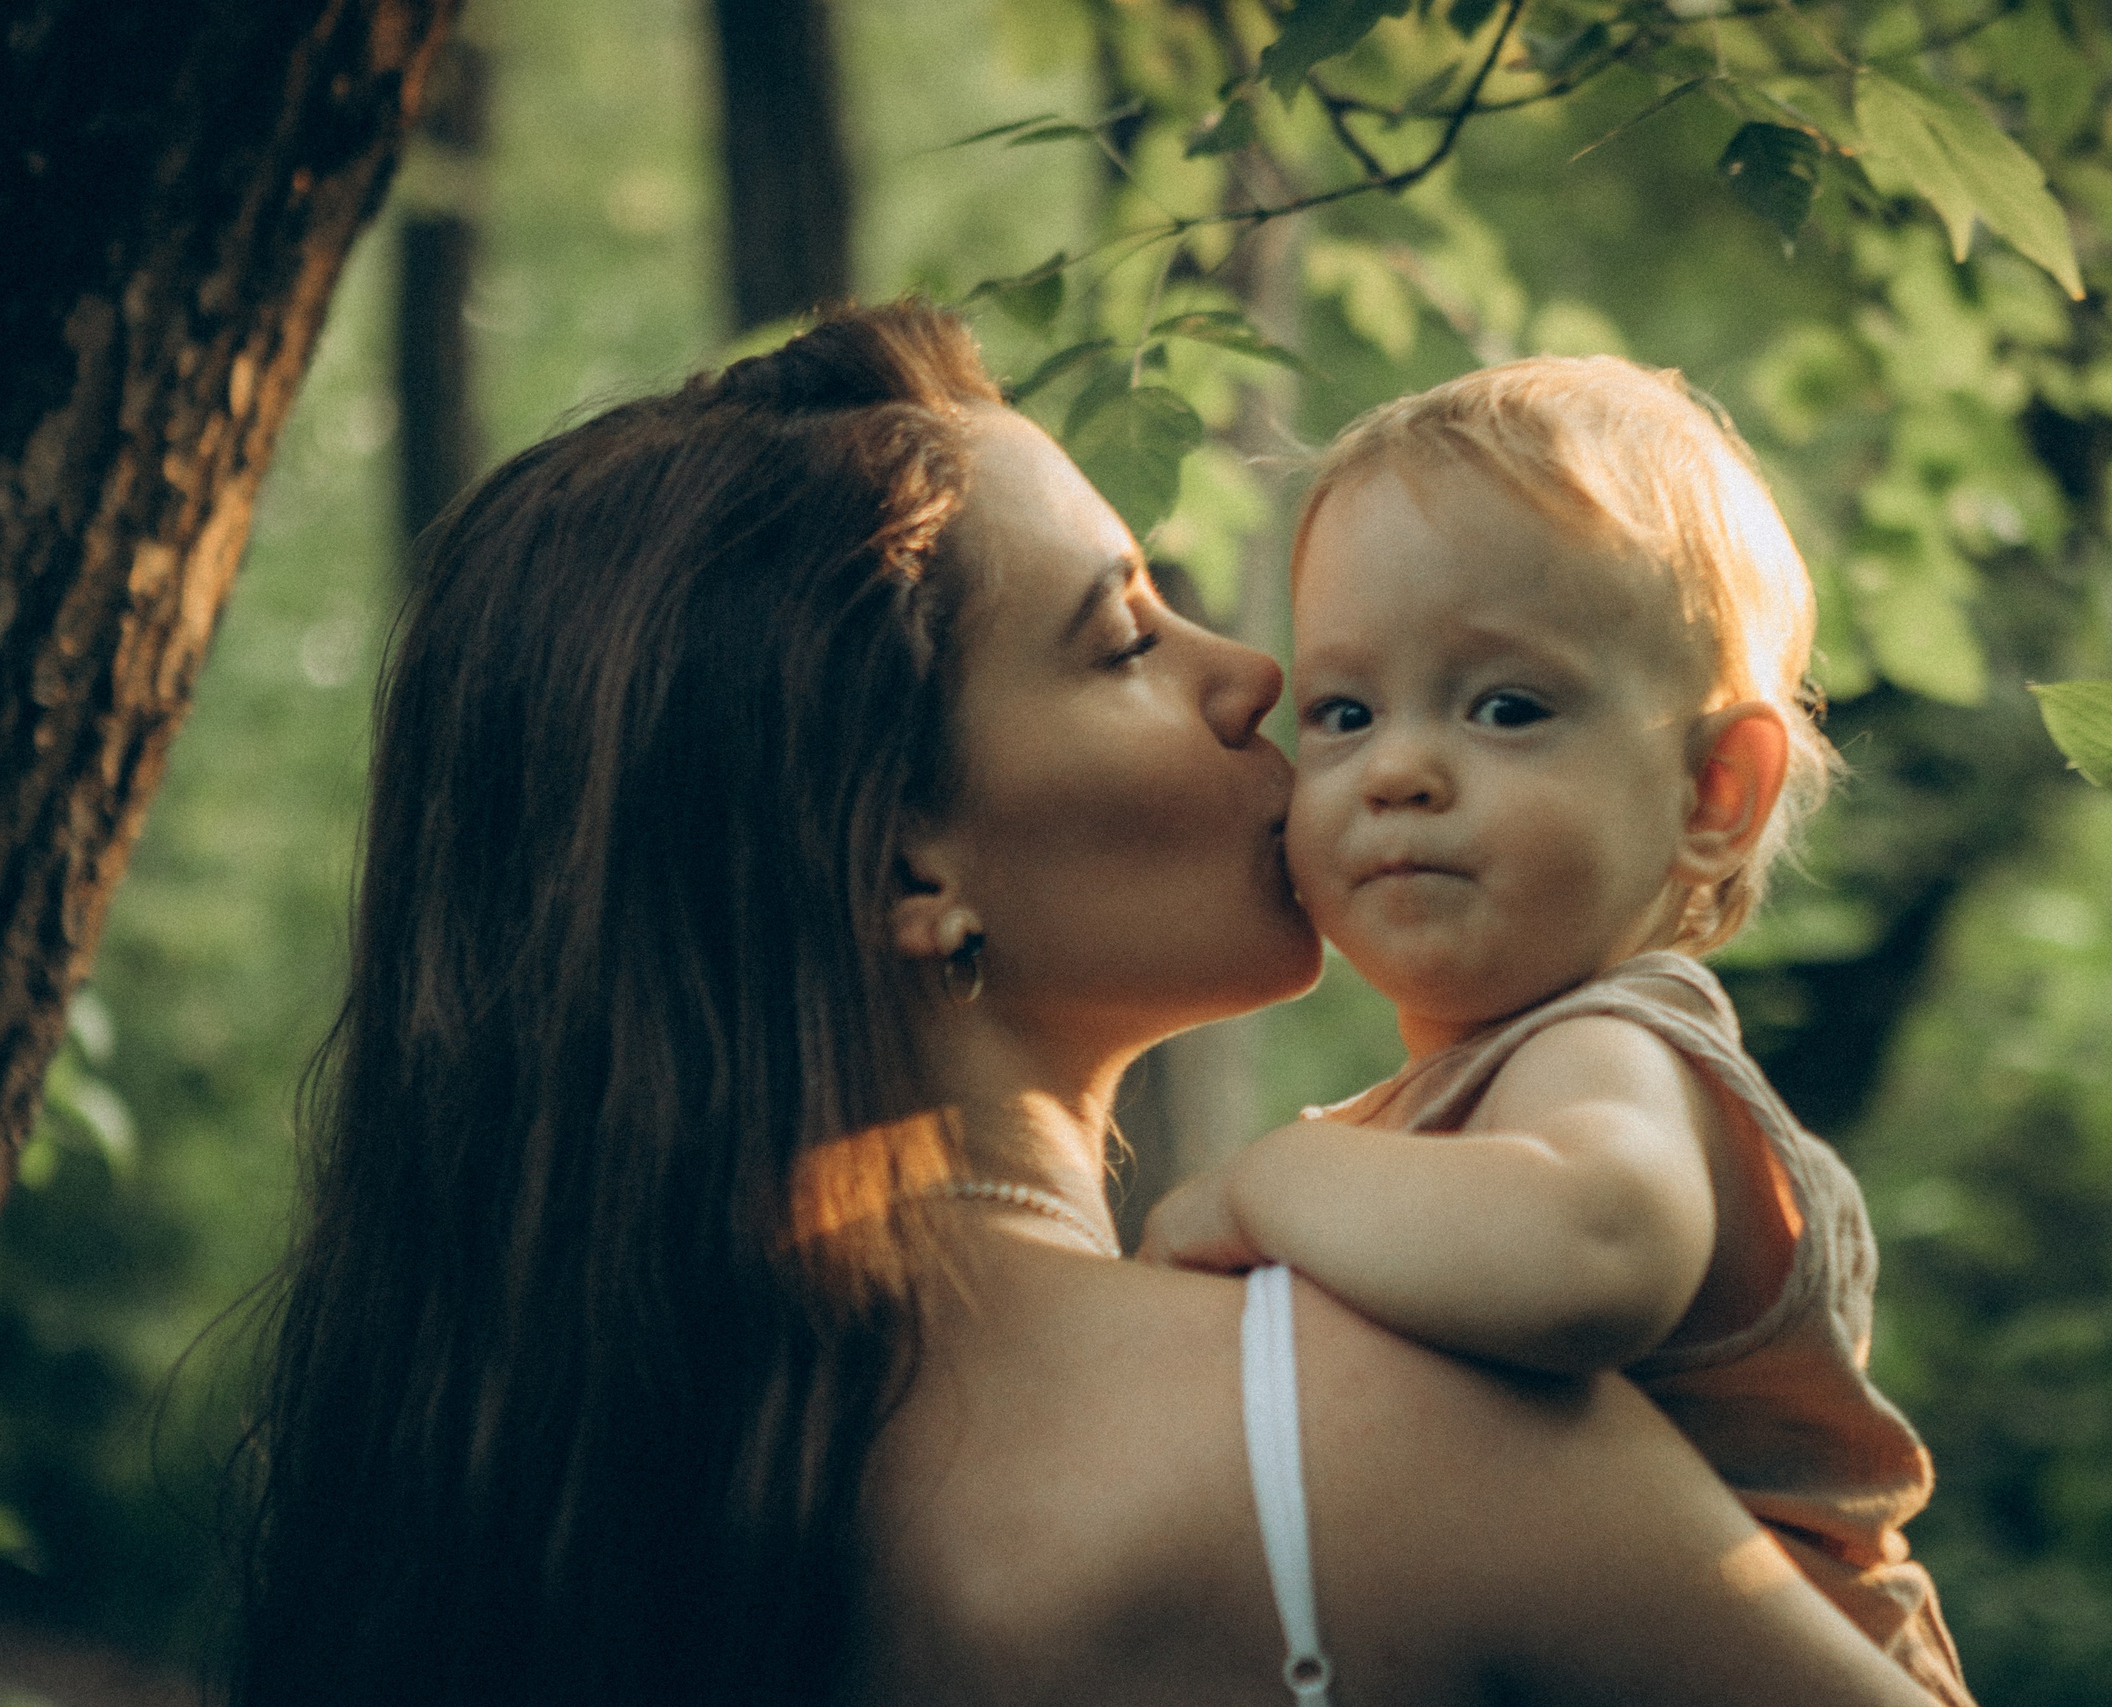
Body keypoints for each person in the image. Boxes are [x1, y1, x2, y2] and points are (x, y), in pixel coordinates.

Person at [230, 302, 1943, 1707]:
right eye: (1126, 636)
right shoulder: (1381, 1431)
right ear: (911, 870)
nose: (1257, 678)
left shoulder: (558, 1491)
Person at [1138, 355, 1973, 1705]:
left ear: (1714, 790)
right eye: (1344, 713)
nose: (1398, 768)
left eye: (1506, 708)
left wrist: (1265, 1182)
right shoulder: (1469, 1102)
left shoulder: (1612, 1044)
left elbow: (1598, 1245)